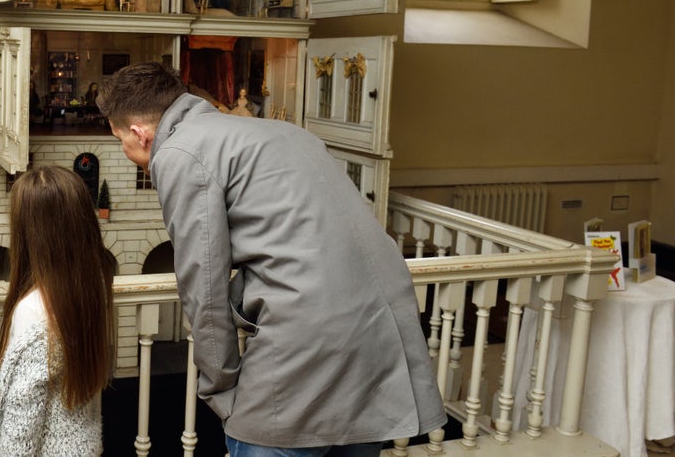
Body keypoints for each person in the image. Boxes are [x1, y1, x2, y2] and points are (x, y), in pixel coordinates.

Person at [96, 62, 445, 457]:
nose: (124, 151)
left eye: (119, 140)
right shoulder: (283, 131)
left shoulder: (180, 151)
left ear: (140, 133)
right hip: (384, 329)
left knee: (255, 438)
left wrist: (222, 391)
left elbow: (202, 285)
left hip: (307, 335)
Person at [0, 166, 116, 457]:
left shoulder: (33, 310)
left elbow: (21, 421)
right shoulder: (90, 288)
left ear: (26, 231)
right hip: (82, 445)